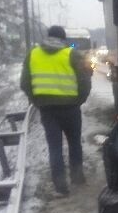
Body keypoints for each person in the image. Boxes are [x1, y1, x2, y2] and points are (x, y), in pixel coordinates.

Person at [20, 26, 92, 195]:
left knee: (54, 147)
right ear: (63, 38)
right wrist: (79, 100)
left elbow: (24, 83)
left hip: (47, 110)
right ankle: (77, 177)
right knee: (74, 143)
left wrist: (37, 101)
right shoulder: (71, 54)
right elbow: (84, 80)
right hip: (71, 109)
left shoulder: (33, 54)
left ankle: (60, 186)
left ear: (48, 37)